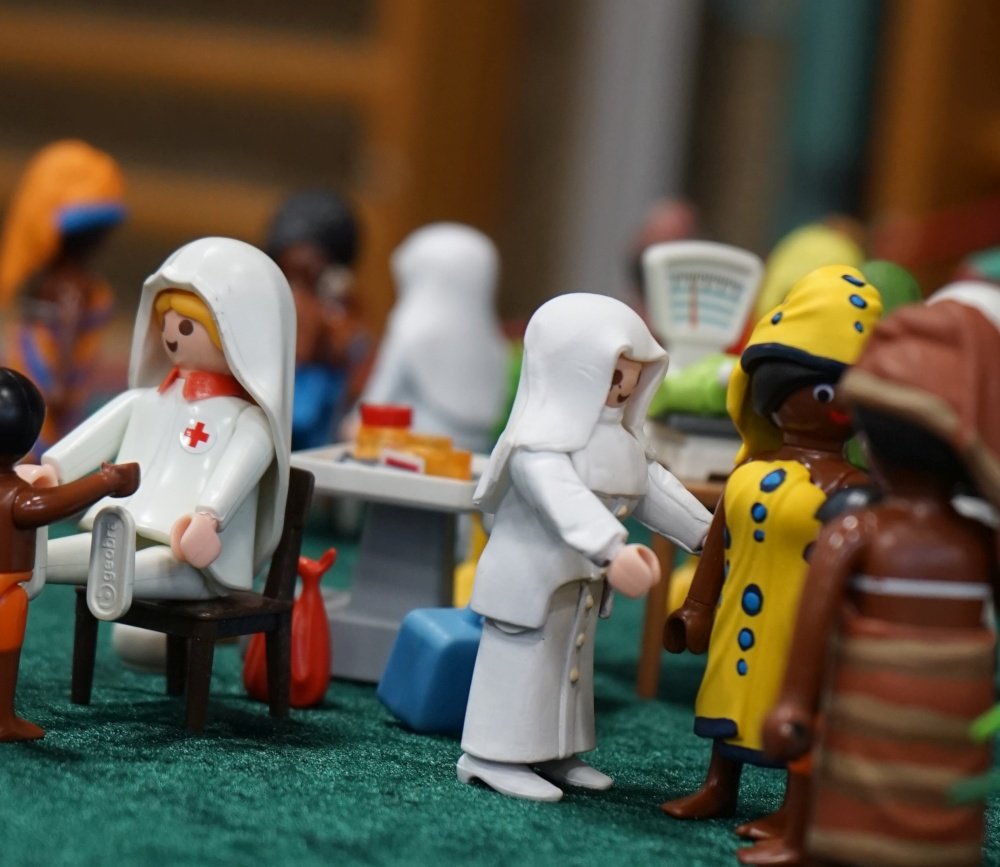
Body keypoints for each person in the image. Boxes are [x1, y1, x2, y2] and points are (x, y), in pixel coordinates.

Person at [764, 288, 1000, 867]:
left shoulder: (858, 532)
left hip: (902, 723)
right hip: (921, 723)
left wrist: (793, 703)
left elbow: (811, 627)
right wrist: (794, 702)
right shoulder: (974, 541)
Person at [662, 266, 882, 864]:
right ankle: (718, 785)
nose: (826, 405)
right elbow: (718, 546)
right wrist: (697, 607)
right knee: (729, 699)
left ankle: (795, 806)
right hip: (740, 619)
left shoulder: (853, 488)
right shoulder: (747, 475)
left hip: (803, 627)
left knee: (796, 706)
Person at [457, 292, 712, 802]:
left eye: (634, 373)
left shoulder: (620, 440)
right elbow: (564, 500)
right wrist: (613, 550)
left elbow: (652, 488)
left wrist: (707, 531)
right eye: (614, 372)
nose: (626, 386)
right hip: (529, 583)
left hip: (580, 585)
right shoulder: (536, 447)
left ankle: (555, 750)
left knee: (567, 671)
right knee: (523, 667)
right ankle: (489, 755)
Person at [27, 238, 294, 666]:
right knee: (54, 555)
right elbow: (95, 436)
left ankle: (122, 590)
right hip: (125, 529)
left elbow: (237, 470)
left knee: (138, 565)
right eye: (166, 324)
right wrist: (53, 471)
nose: (171, 336)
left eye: (186, 327)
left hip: (195, 556)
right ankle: (28, 564)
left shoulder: (248, 421)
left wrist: (209, 517)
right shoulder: (148, 401)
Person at [0, 367, 138, 740]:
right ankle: (2, 719)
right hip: (5, 590)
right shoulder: (15, 494)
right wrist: (107, 481)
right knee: (4, 653)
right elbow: (49, 504)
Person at [0, 140, 127, 454]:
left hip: (49, 377)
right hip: (53, 381)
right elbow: (68, 334)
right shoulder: (73, 288)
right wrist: (60, 385)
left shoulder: (48, 282)